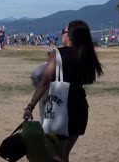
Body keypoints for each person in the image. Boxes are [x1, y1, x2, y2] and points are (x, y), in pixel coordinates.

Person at [22, 20, 103, 162]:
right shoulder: (87, 54)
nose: (61, 34)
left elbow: (45, 81)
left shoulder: (57, 54)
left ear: (70, 35)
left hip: (60, 110)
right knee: (63, 155)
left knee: (57, 156)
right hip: (79, 108)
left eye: (63, 31)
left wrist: (30, 106)